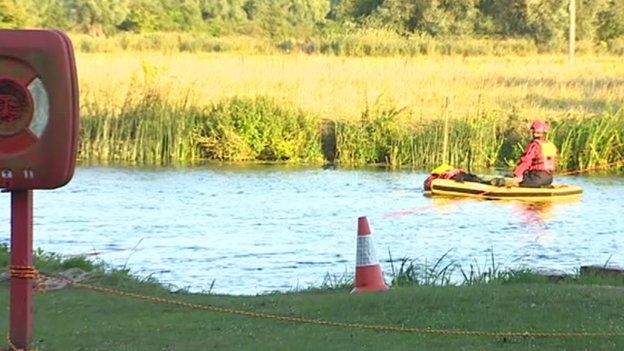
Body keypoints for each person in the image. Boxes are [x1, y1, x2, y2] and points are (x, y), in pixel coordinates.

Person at [511, 120, 557, 187]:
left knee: (511, 178)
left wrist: (516, 174)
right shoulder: (551, 145)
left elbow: (526, 162)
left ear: (534, 132)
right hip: (549, 179)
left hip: (536, 179)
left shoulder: (534, 145)